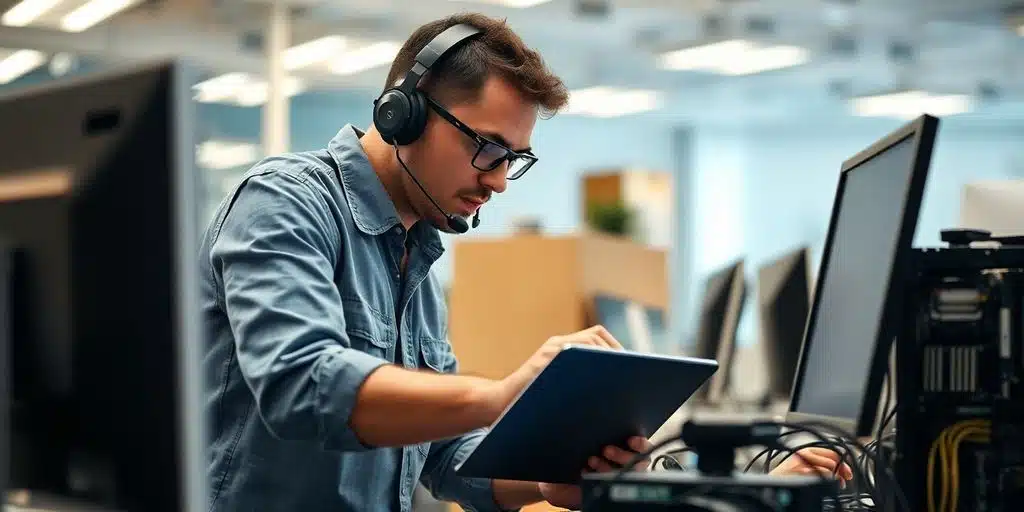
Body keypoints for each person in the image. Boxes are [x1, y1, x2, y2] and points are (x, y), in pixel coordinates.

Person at [199, 12, 852, 512]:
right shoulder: (284, 202)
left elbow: (444, 458)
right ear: (404, 115)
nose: (501, 181)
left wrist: (544, 476)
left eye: (514, 158)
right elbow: (303, 384)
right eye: (489, 149)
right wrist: (498, 395)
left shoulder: (415, 253)